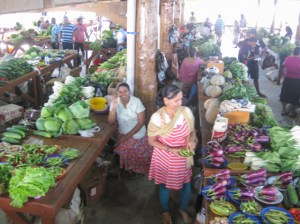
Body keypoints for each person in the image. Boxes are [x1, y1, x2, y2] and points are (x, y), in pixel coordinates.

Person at [147, 84, 197, 224]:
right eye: (176, 100)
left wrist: (191, 141)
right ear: (166, 100)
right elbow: (151, 141)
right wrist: (170, 149)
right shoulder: (157, 118)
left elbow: (192, 131)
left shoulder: (186, 112)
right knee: (164, 186)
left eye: (181, 99)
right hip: (164, 155)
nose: (180, 103)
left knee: (186, 185)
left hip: (183, 155)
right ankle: (165, 212)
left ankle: (182, 209)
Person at [108, 82, 153, 174]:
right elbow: (111, 122)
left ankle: (135, 169)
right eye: (120, 92)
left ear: (129, 91)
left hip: (137, 131)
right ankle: (128, 168)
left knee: (134, 148)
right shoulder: (115, 102)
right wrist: (113, 109)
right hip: (122, 131)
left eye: (125, 91)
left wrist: (127, 136)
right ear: (117, 93)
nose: (123, 94)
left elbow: (141, 122)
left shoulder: (136, 101)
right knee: (124, 147)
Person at [280, 47, 300, 118]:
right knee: (294, 96)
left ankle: (284, 110)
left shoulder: (288, 58)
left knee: (285, 94)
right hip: (297, 81)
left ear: (293, 52)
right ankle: (291, 112)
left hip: (287, 79)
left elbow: (283, 66)